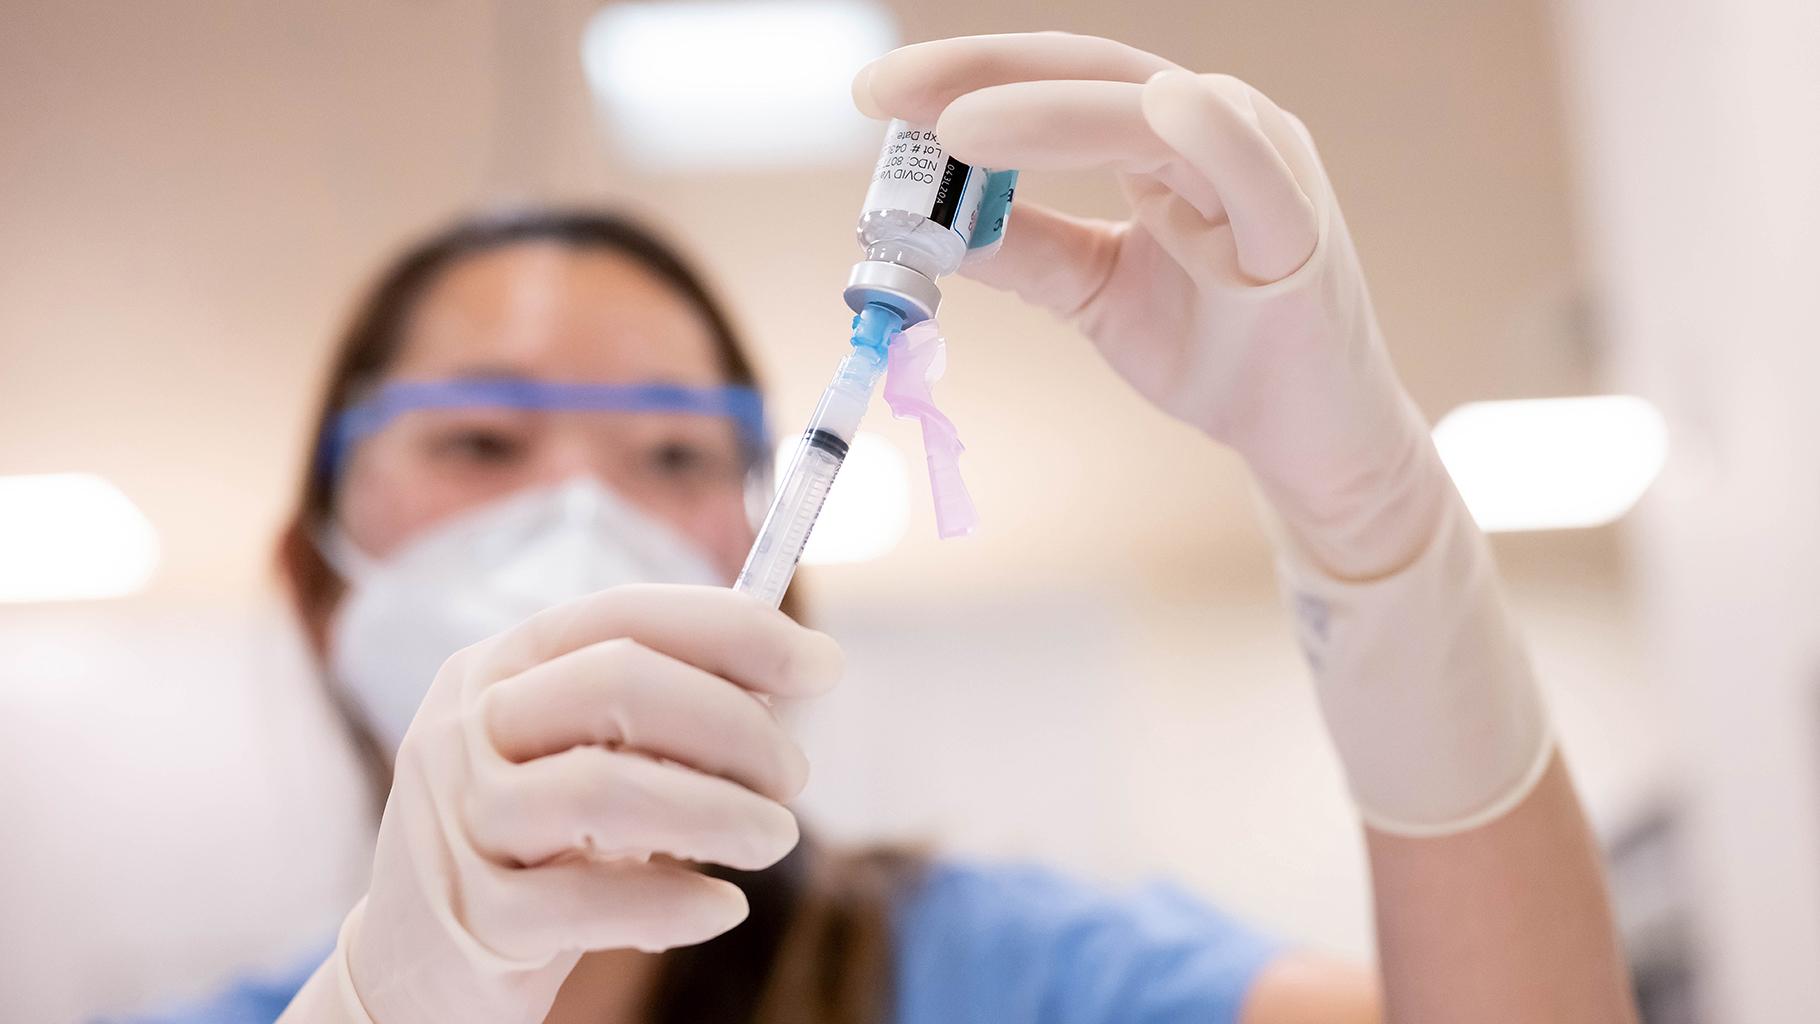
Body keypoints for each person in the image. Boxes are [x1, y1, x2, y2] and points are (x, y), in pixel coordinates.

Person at [127, 32, 1639, 1024]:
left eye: (668, 445)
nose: (576, 507)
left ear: (764, 560)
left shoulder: (990, 974)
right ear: (312, 578)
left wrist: (1362, 513)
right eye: (477, 437)